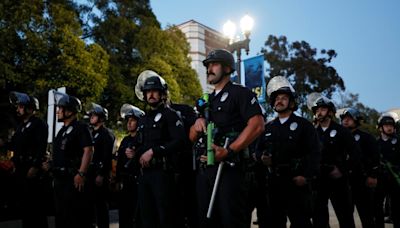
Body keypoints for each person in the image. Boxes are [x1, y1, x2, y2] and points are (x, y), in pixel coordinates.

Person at [189, 49, 265, 228]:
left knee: (231, 221)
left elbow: (257, 125)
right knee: (205, 222)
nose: (209, 69)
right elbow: (191, 137)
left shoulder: (240, 93)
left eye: (214, 64)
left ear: (228, 68)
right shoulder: (205, 101)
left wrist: (229, 151)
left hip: (230, 171)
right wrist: (197, 124)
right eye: (208, 65)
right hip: (205, 171)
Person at [257, 76, 320, 227]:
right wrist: (262, 158)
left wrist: (306, 176)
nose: (279, 101)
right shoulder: (268, 127)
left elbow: (315, 153)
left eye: (284, 98)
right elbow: (258, 150)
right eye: (277, 98)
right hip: (273, 184)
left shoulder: (304, 125)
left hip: (296, 184)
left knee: (301, 223)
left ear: (291, 102)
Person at [135, 70, 186, 228]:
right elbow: (140, 144)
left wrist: (154, 151)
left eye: (155, 91)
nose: (151, 95)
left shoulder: (171, 115)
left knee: (166, 218)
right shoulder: (143, 119)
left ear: (162, 94)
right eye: (148, 92)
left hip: (163, 174)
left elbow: (180, 141)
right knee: (147, 218)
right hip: (145, 175)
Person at [309, 94, 359, 228]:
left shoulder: (342, 131)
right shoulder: (312, 133)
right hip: (318, 181)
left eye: (323, 109)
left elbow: (355, 154)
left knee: (346, 217)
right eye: (317, 110)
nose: (319, 112)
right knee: (319, 218)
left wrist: (342, 170)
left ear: (330, 112)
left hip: (338, 181)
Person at [50, 91, 94, 228]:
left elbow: (88, 150)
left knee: (75, 218)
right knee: (61, 216)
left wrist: (81, 173)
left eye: (60, 108)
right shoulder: (61, 131)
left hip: (72, 179)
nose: (58, 111)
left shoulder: (81, 128)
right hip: (60, 179)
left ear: (69, 111)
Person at [8, 91, 49, 228]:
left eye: (20, 106)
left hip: (31, 169)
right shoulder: (21, 127)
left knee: (35, 207)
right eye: (18, 107)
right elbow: (14, 145)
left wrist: (35, 166)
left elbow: (41, 147)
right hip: (21, 169)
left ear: (30, 108)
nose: (17, 109)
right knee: (25, 206)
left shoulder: (39, 124)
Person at [339, 108, 380, 228]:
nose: (345, 121)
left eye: (349, 118)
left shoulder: (366, 138)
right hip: (344, 182)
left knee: (367, 216)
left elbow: (375, 158)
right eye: (343, 119)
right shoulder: (338, 137)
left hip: (362, 182)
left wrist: (373, 176)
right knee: (345, 217)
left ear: (356, 120)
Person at [115, 104, 144, 228]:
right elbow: (120, 160)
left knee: (137, 215)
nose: (129, 123)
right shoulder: (126, 140)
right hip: (125, 182)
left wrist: (135, 156)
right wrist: (117, 179)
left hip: (138, 182)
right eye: (128, 120)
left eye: (132, 120)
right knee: (124, 214)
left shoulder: (143, 139)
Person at [86, 103, 115, 228]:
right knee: (90, 205)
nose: (91, 117)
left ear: (101, 118)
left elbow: (107, 156)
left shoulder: (106, 134)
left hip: (99, 174)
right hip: (90, 173)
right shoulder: (91, 133)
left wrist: (102, 174)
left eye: (94, 115)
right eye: (91, 115)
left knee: (101, 205)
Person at [375, 112, 400, 228]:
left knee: (396, 208)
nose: (389, 128)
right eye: (386, 125)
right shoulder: (375, 143)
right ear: (380, 128)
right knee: (377, 207)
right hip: (379, 180)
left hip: (396, 179)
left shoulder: (398, 141)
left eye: (391, 125)